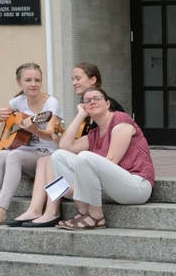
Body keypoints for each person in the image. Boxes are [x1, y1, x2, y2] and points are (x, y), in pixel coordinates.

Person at [7, 63, 125, 228]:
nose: (74, 82)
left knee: (51, 159)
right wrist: (58, 137)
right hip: (91, 157)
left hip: (103, 162)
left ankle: (52, 211)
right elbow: (76, 142)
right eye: (72, 79)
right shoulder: (85, 107)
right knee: (45, 160)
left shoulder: (103, 105)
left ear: (93, 80)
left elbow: (102, 143)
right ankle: (36, 209)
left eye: (78, 78)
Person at [0, 62, 62, 227]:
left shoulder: (51, 104)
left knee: (14, 155)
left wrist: (34, 130)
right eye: (28, 80)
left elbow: (50, 135)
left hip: (46, 154)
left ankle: (1, 210)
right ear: (19, 82)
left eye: (37, 80)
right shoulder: (19, 101)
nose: (33, 84)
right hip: (25, 152)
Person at [50, 86, 155, 230]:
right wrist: (80, 115)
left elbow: (112, 160)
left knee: (85, 157)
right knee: (58, 156)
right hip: (112, 189)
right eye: (87, 101)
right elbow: (65, 146)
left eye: (97, 98)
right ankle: (84, 212)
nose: (92, 102)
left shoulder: (121, 120)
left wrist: (79, 185)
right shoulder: (94, 134)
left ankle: (96, 217)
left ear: (107, 103)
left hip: (137, 186)